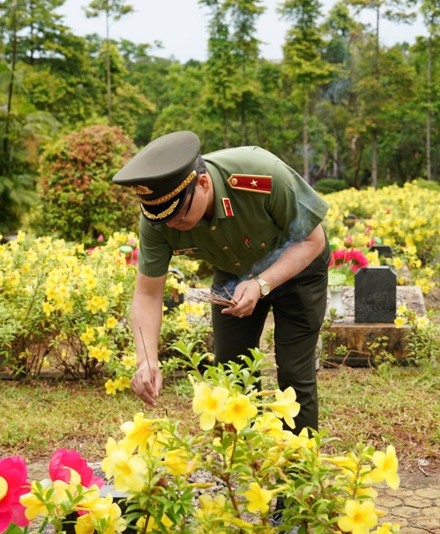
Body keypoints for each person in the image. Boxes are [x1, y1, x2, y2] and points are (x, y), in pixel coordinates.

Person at [112, 130, 330, 433]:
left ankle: (299, 456)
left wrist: (261, 284)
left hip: (298, 268)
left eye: (180, 216)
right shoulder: (160, 220)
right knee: (230, 373)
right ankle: (243, 456)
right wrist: (146, 359)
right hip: (233, 275)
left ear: (203, 184)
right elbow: (148, 293)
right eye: (163, 219)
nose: (172, 225)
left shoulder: (261, 175)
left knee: (294, 372)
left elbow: (312, 240)